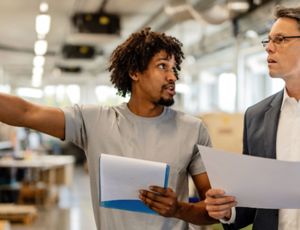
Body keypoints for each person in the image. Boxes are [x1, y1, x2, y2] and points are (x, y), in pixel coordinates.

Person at [0, 28, 216, 229]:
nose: (173, 77)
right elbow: (27, 113)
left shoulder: (193, 129)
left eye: (173, 68)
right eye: (162, 66)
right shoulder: (94, 121)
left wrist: (179, 209)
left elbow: (215, 208)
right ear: (134, 72)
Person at [204, 5, 300, 230]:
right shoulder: (256, 116)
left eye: (281, 39)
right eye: (268, 41)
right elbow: (252, 201)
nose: (269, 49)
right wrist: (227, 210)